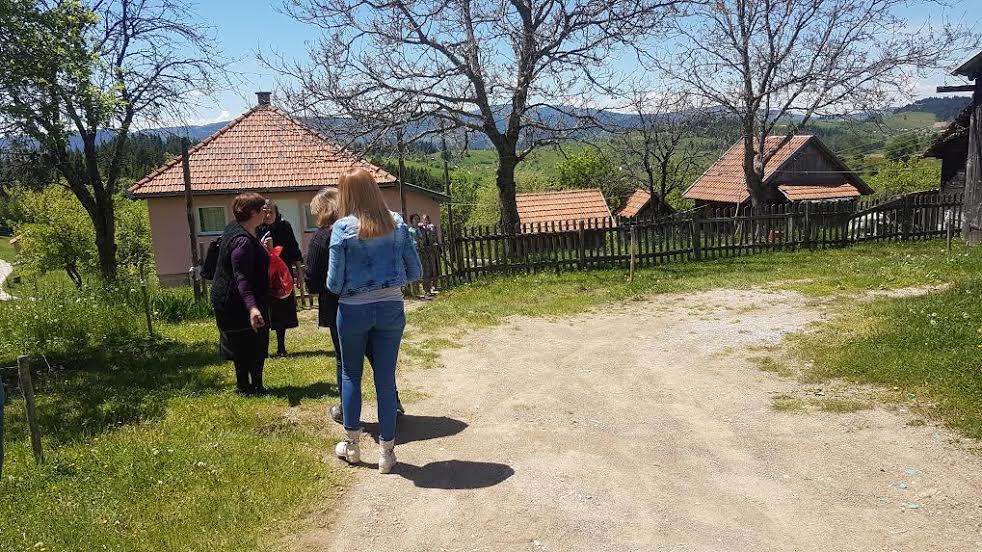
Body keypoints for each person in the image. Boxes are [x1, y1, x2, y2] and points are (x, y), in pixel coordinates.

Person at [328, 169, 422, 474]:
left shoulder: (342, 228)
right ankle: (387, 452)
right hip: (391, 306)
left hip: (353, 309)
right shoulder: (396, 223)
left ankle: (352, 446)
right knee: (385, 378)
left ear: (346, 193)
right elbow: (416, 271)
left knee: (351, 375)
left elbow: (333, 283)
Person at [306, 188, 408, 426]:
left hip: (340, 306)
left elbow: (312, 279)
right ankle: (392, 403)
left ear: (322, 211)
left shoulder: (323, 238)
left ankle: (347, 412)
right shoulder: (363, 228)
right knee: (379, 358)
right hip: (377, 300)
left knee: (346, 364)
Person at [211, 193, 271, 395]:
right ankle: (250, 386)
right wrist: (252, 308)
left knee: (246, 343)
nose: (266, 213)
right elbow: (241, 277)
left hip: (234, 298)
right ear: (253, 213)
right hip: (237, 301)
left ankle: (247, 385)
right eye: (262, 210)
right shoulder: (242, 242)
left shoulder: (236, 228)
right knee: (248, 343)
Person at [257, 203, 302, 356]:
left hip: (282, 275)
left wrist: (299, 274)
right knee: (265, 310)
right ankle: (263, 349)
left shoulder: (284, 227)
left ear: (277, 213)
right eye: (265, 212)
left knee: (281, 310)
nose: (268, 215)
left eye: (271, 212)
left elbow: (294, 250)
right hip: (263, 275)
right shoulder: (257, 228)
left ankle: (281, 347)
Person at [418, 214, 441, 295]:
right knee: (426, 269)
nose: (425, 221)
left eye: (427, 219)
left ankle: (435, 285)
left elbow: (433, 236)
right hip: (424, 251)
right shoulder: (421, 228)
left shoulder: (432, 227)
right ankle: (427, 287)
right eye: (424, 219)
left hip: (433, 250)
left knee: (435, 268)